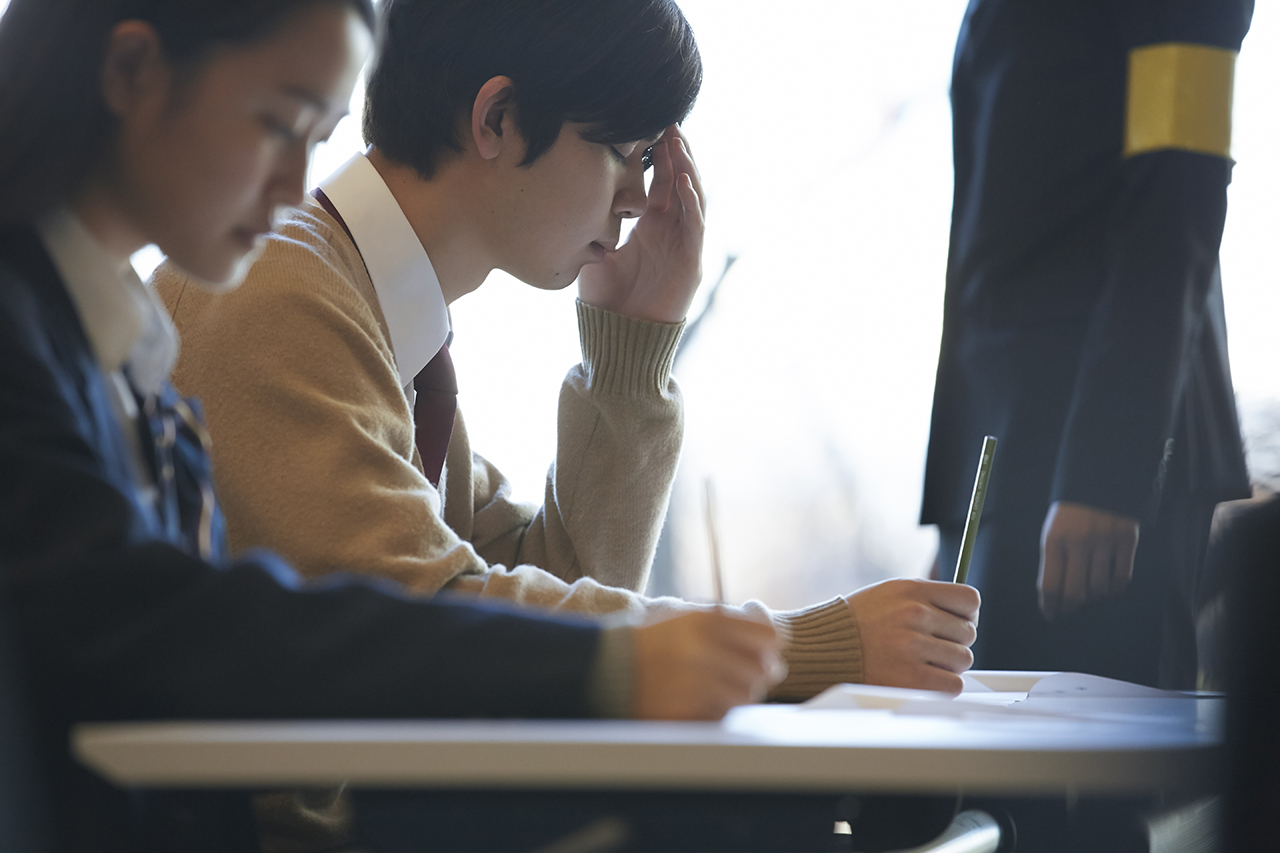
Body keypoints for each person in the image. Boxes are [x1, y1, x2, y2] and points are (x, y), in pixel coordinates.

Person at [0, 0, 788, 848]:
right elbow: (187, 618)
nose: (293, 180)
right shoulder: (250, 302)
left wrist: (630, 350)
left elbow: (527, 581)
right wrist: (773, 651)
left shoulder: (128, 342)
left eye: (317, 131)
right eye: (278, 122)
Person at [156, 0, 983, 708]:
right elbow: (439, 615)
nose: (634, 201)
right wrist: (803, 649)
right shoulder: (280, 293)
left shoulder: (375, 311)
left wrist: (629, 352)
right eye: (624, 153)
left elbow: (538, 589)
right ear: (498, 120)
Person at [921, 0, 1253, 688]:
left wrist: (1109, 466)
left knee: (1075, 788)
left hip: (1095, 475)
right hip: (1000, 470)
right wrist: (961, 521)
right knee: (971, 784)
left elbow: (1182, 180)